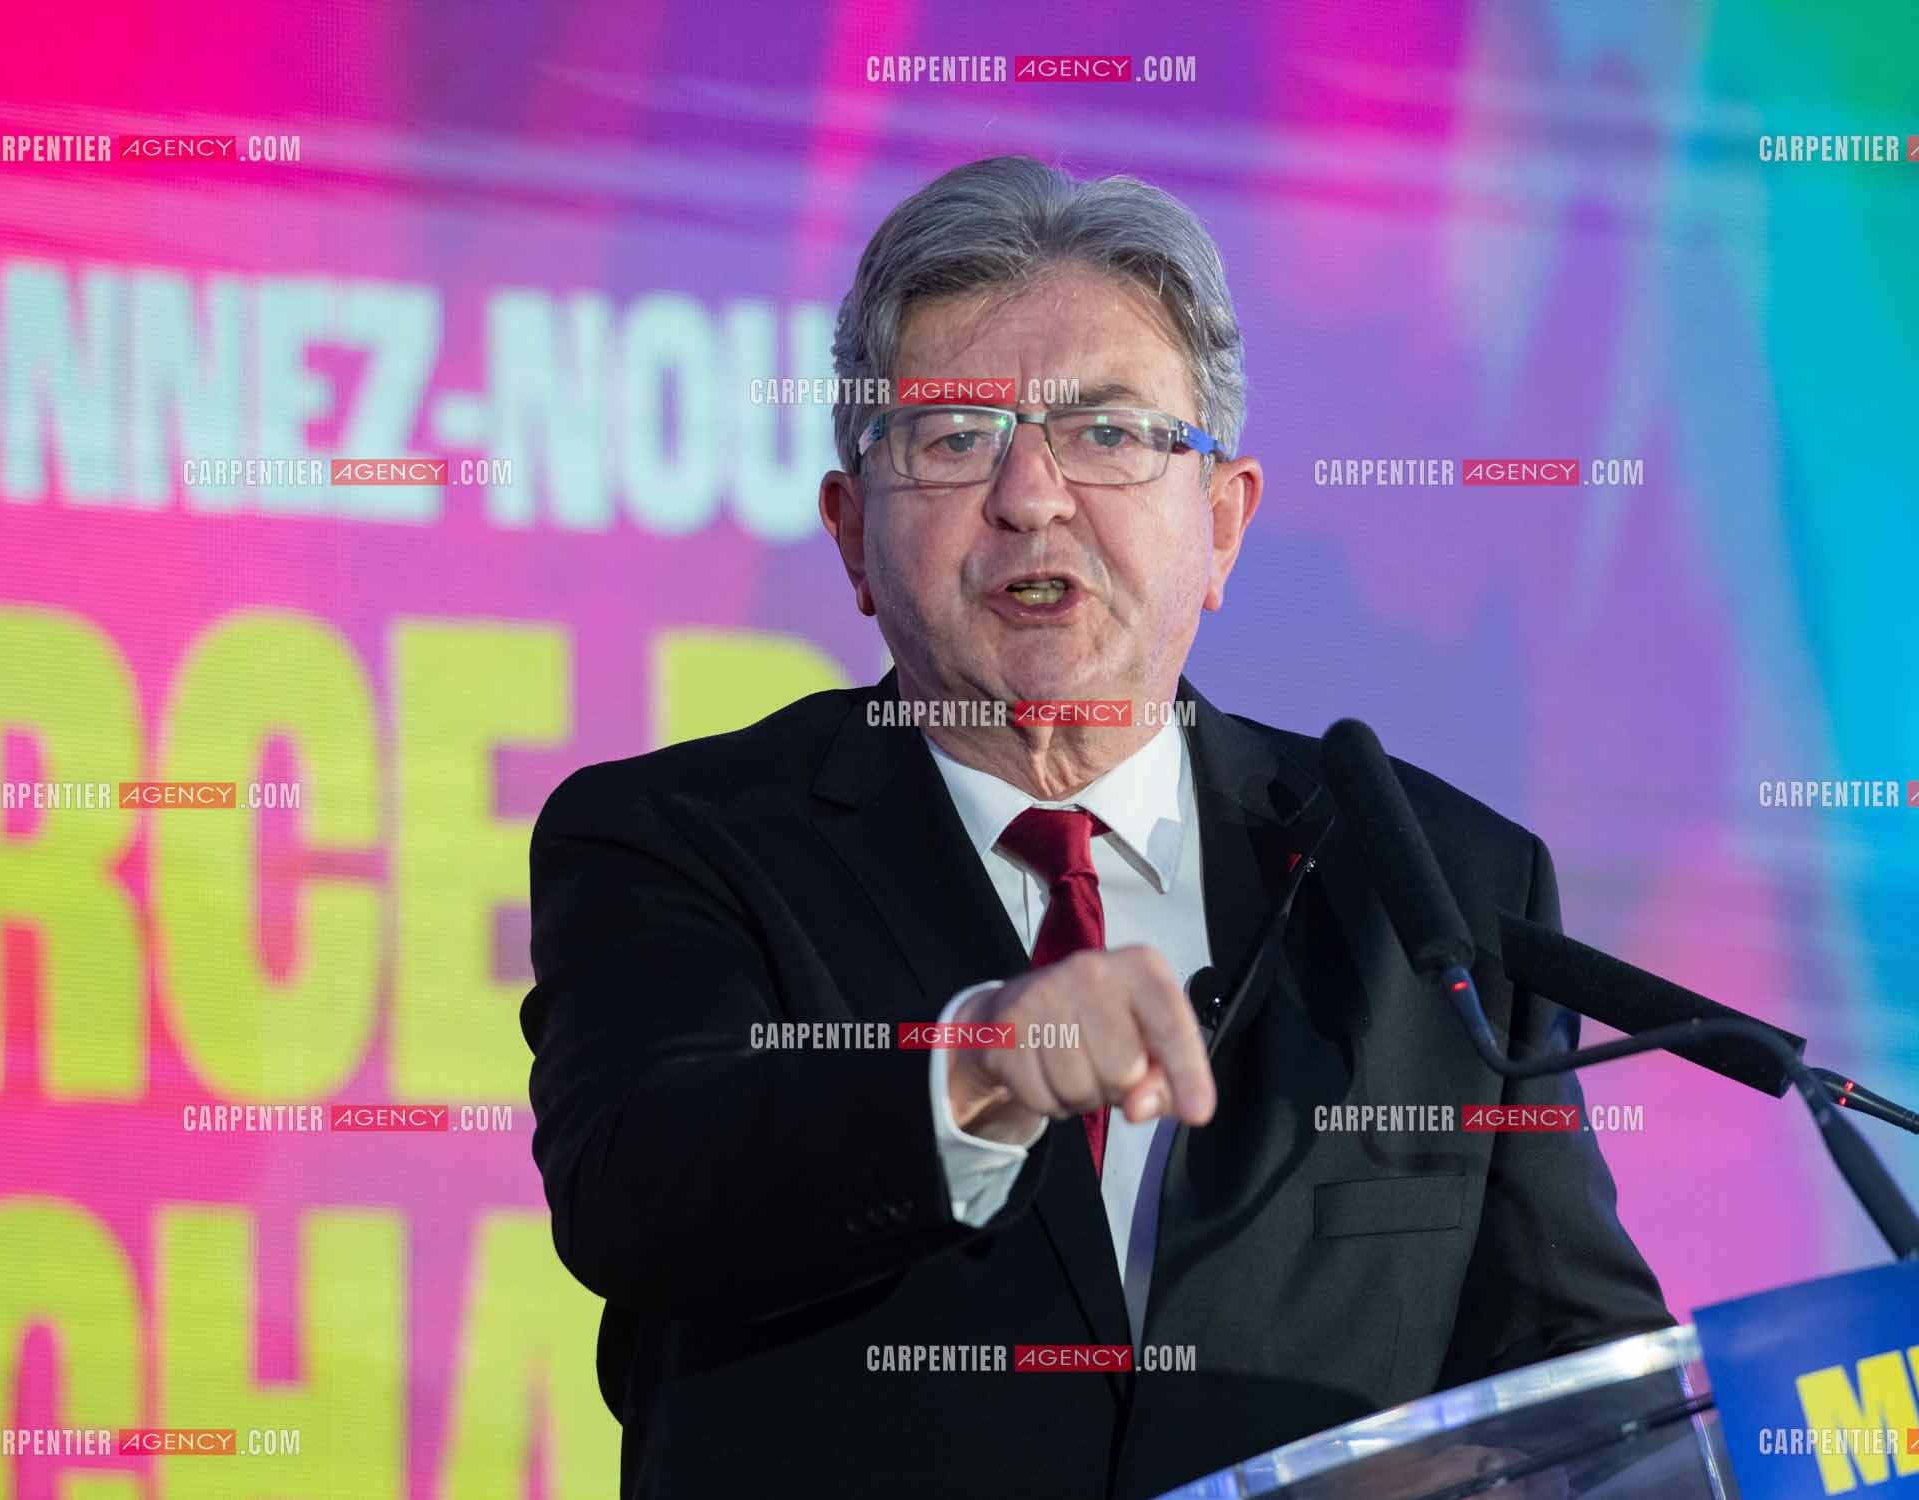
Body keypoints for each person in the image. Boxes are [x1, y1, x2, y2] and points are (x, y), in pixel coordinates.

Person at [521, 154, 1671, 1500]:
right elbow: (641, 1195)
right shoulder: (679, 838)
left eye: (1109, 434)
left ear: (1224, 524)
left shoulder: (1437, 884)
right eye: (953, 439)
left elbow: (1576, 1360)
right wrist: (977, 1072)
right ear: (848, 537)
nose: (1030, 496)